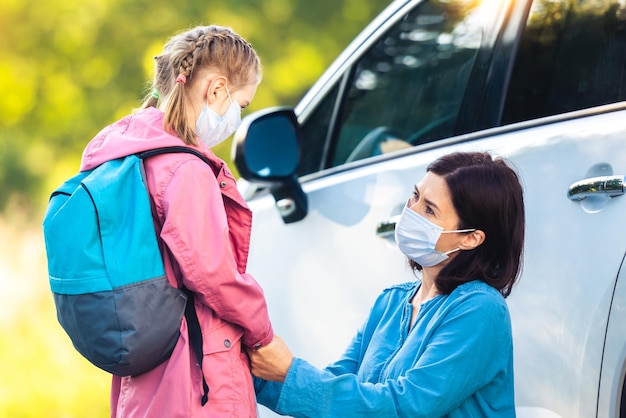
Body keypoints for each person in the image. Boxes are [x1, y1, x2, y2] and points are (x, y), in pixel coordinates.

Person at [79, 25, 274, 417]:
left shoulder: (124, 156)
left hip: (147, 368)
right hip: (198, 374)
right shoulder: (186, 170)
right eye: (243, 104)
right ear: (217, 90)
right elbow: (212, 274)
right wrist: (263, 332)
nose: (238, 115)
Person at [248, 151, 525, 417]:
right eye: (415, 196)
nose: (411, 212)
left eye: (429, 210)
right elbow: (335, 385)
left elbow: (404, 406)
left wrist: (289, 372)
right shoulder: (390, 302)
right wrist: (256, 368)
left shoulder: (480, 311)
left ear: (470, 238)